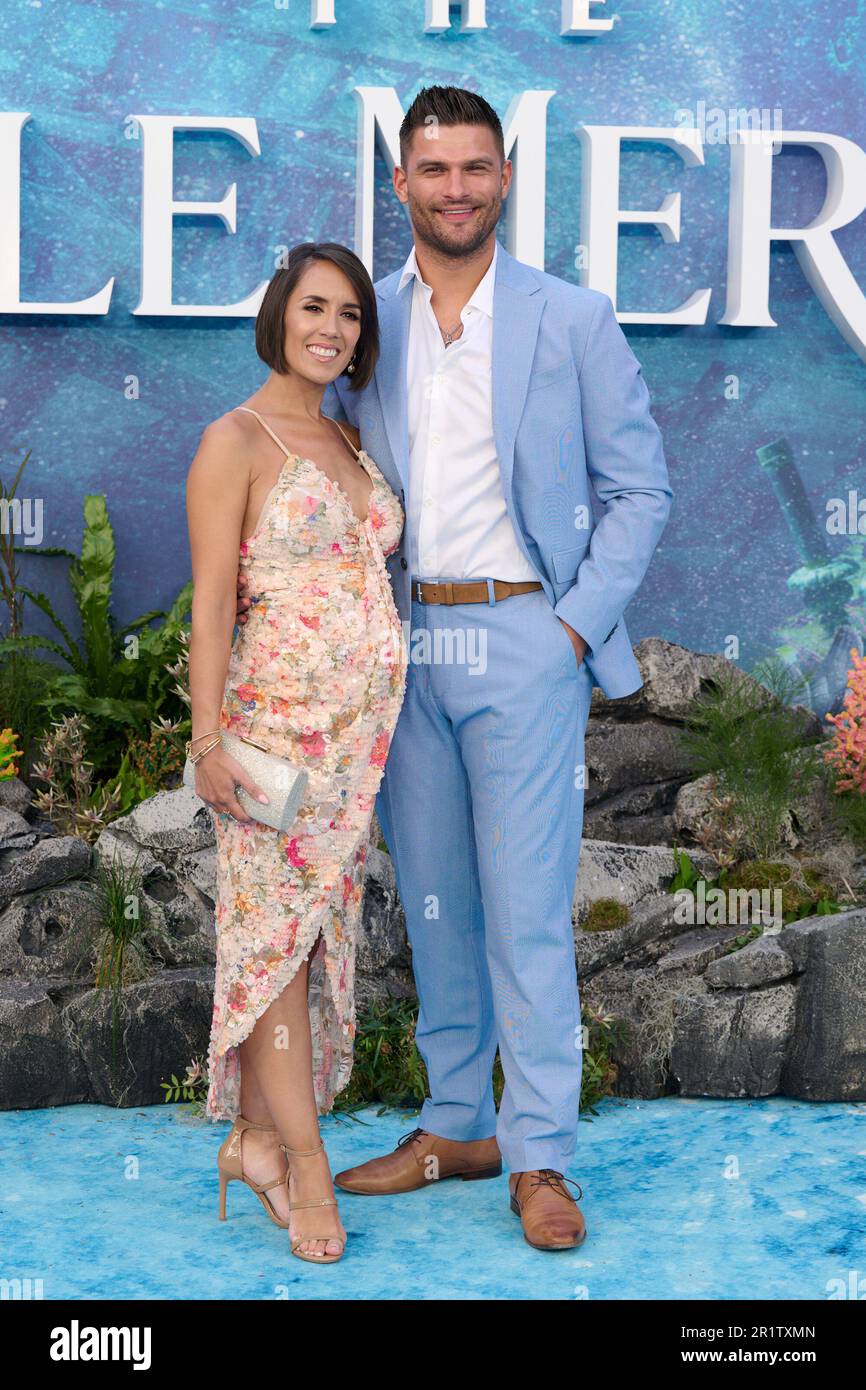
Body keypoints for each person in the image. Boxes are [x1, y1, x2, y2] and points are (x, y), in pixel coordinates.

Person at [235, 86, 673, 1251]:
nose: (456, 188)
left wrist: (572, 629)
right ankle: (452, 1124)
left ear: (505, 177)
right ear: (401, 185)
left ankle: (538, 1157)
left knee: (526, 915)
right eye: (433, 171)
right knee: (433, 904)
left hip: (524, 639)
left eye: (476, 168)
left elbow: (640, 488)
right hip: (400, 650)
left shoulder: (572, 318)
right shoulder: (363, 324)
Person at [186, 242, 408, 1264]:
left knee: (312, 944)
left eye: (351, 316)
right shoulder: (233, 440)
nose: (332, 328)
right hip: (272, 745)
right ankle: (306, 1170)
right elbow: (212, 610)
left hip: (352, 757)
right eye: (315, 307)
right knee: (273, 954)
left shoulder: (348, 440)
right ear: (279, 313)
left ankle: (256, 1142)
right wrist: (206, 742)